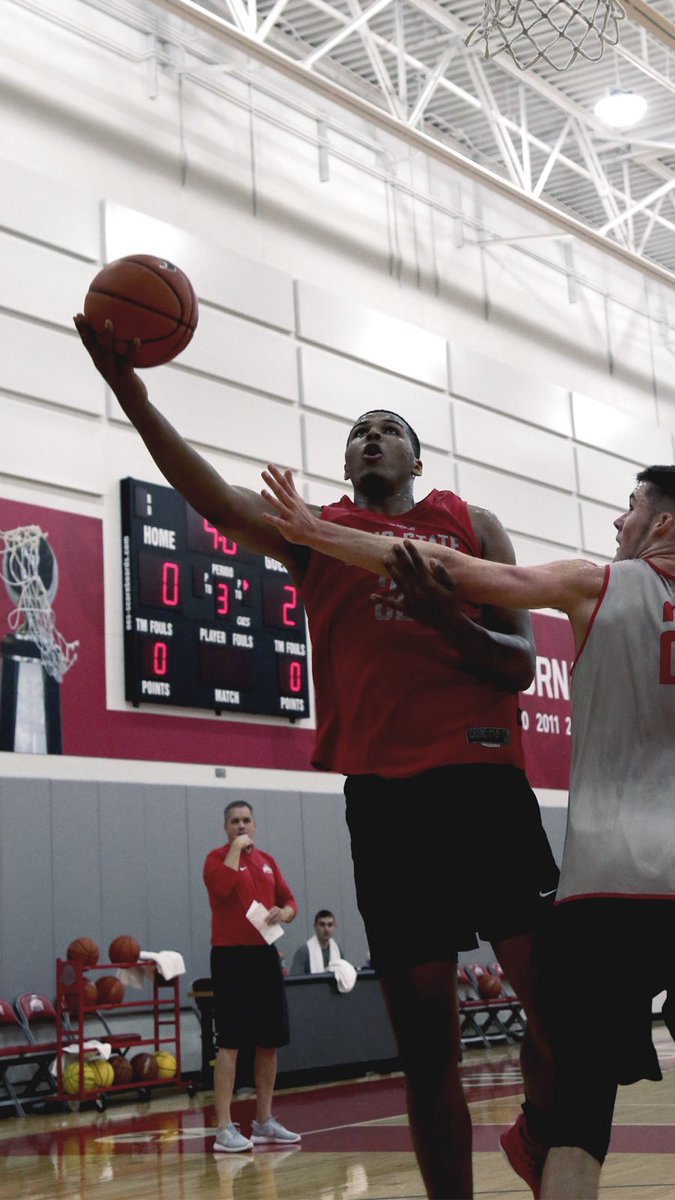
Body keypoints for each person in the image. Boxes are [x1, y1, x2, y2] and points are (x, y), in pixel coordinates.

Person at [73, 315, 556, 1199]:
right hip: (387, 802)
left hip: (484, 784)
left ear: (417, 461)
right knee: (426, 1046)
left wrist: (440, 609)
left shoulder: (471, 523)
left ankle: (548, 1149)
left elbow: (519, 663)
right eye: (357, 434)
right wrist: (131, 393)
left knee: (554, 1011)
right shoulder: (316, 531)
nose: (372, 437)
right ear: (346, 470)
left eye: (389, 430)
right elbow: (216, 500)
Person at [261, 461, 675, 1200]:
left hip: (611, 885)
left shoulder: (598, 585)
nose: (618, 522)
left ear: (664, 524)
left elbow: (448, 568)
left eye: (631, 508)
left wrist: (315, 531)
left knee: (577, 1125)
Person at [203, 800, 301, 1153]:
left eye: (246, 820)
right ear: (226, 828)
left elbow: (290, 901)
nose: (241, 826)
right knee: (230, 1041)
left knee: (269, 1039)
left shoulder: (268, 862)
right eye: (234, 822)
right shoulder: (216, 859)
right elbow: (222, 889)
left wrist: (284, 912)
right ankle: (224, 1127)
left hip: (265, 954)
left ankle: (264, 1121)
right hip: (231, 956)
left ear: (255, 824)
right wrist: (234, 851)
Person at [290, 909, 343, 974]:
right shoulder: (304, 952)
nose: (326, 929)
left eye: (330, 925)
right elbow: (296, 979)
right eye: (322, 924)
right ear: (315, 927)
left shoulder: (337, 949)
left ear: (335, 927)